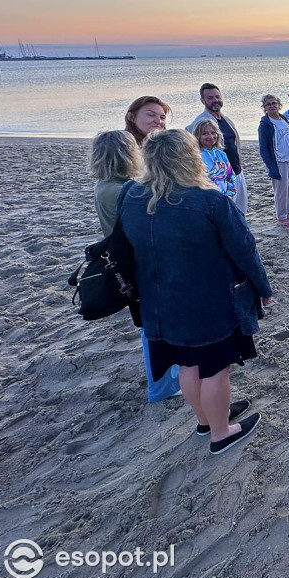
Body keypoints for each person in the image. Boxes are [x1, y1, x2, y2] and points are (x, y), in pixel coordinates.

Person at [120, 129, 271, 455]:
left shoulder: (131, 195)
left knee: (187, 363)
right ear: (190, 158)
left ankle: (206, 420)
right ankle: (221, 432)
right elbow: (245, 250)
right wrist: (263, 287)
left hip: (159, 301)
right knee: (215, 366)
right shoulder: (210, 200)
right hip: (207, 300)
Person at [90, 129, 182, 403]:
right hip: (140, 265)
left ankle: (167, 379)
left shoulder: (104, 185)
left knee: (152, 325)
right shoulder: (124, 190)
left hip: (127, 264)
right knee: (155, 327)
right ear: (127, 154)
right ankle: (162, 386)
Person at [187, 84, 249, 214]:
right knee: (226, 213)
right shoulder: (200, 122)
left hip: (236, 171)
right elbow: (192, 150)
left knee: (240, 211)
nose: (215, 100)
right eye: (210, 97)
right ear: (203, 101)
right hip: (218, 178)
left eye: (217, 96)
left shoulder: (225, 119)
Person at [258, 94, 289, 226]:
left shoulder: (284, 119)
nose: (272, 106)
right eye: (268, 104)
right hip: (279, 161)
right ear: (264, 107)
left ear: (279, 105)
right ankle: (281, 217)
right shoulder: (265, 124)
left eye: (274, 103)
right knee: (281, 190)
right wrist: (270, 166)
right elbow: (263, 148)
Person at [193, 119, 236, 199]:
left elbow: (230, 176)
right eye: (205, 134)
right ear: (197, 136)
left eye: (213, 133)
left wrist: (229, 194)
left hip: (226, 197)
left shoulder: (221, 154)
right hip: (207, 199)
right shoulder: (196, 156)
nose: (211, 137)